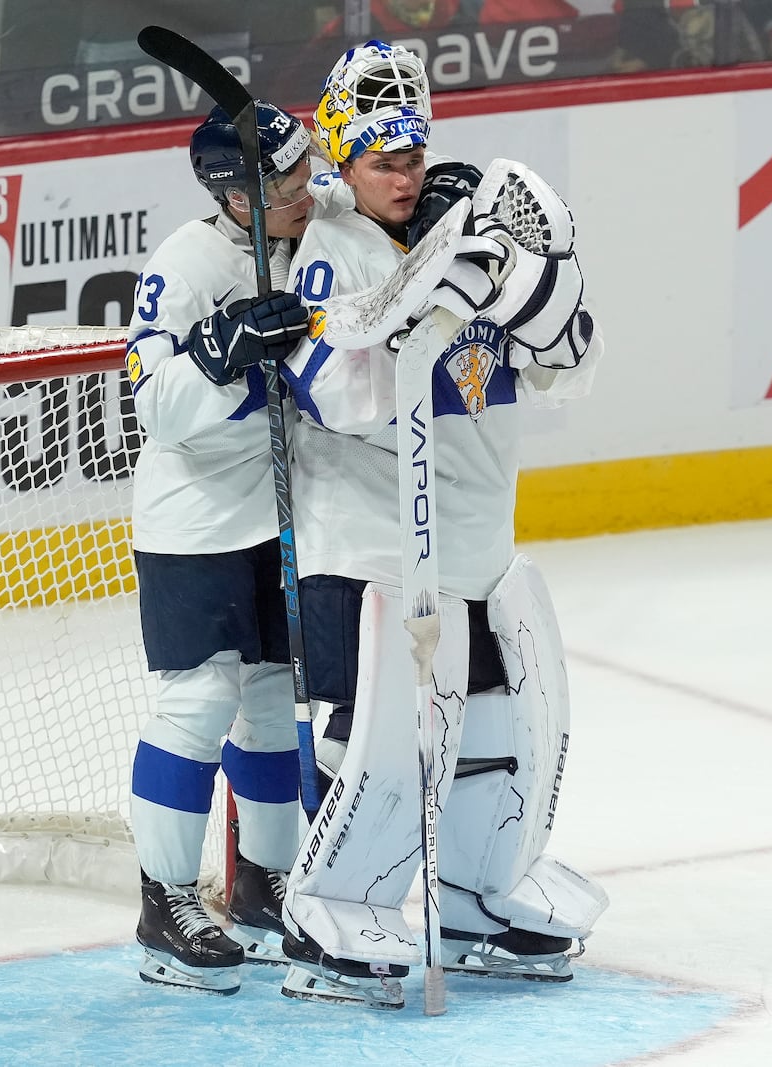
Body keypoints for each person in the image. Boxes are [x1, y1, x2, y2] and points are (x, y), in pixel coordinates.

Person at [278, 40, 610, 1009]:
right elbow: (332, 394)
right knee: (381, 736)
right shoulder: (328, 252)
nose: (403, 173)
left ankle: (470, 894)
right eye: (383, 158)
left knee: (498, 727)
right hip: (369, 537)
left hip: (469, 539)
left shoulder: (471, 236)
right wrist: (412, 299)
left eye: (413, 154)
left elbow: (565, 366)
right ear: (343, 159)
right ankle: (330, 903)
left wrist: (534, 284)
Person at [124, 100, 347, 996]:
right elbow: (149, 407)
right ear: (240, 198)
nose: (309, 190)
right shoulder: (182, 267)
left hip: (281, 514)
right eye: (289, 182)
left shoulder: (309, 225)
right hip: (198, 520)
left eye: (308, 170)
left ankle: (260, 887)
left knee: (268, 698)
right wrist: (215, 353)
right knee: (200, 698)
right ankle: (164, 902)